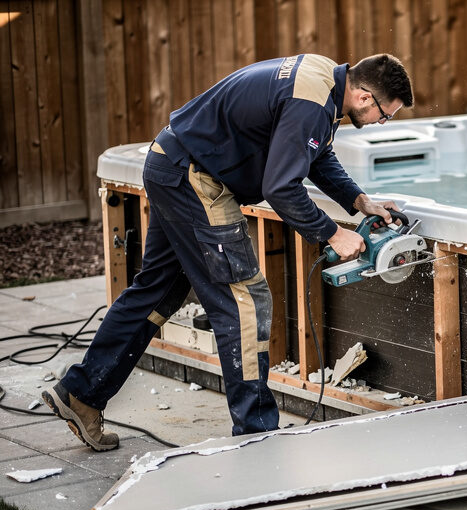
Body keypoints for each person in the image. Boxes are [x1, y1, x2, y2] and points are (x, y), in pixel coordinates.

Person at [42, 53, 414, 450]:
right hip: (194, 178)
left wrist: (359, 202)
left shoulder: (323, 80)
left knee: (158, 290)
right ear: (364, 96)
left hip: (171, 163)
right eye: (385, 115)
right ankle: (256, 435)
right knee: (245, 302)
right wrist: (332, 234)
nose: (382, 122)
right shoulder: (312, 101)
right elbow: (281, 187)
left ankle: (81, 394)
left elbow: (316, 155)